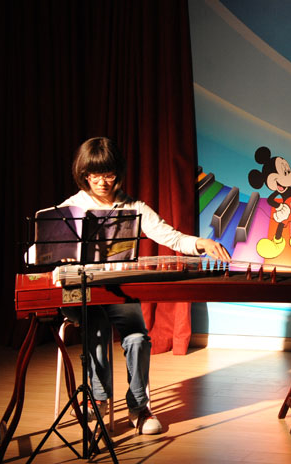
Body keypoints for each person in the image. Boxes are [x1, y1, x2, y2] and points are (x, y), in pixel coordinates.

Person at [56, 137, 230, 434]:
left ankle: (138, 407)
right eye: (95, 175)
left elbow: (170, 236)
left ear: (118, 174)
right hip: (83, 293)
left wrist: (202, 243)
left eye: (109, 174)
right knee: (96, 328)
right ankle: (98, 401)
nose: (102, 182)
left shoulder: (133, 207)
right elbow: (44, 249)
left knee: (137, 338)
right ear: (84, 175)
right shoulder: (70, 209)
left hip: (119, 291)